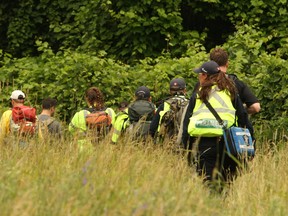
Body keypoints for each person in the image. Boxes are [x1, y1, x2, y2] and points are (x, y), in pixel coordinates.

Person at [181, 61, 253, 190]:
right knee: (225, 183)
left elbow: (187, 123)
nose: (198, 77)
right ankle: (223, 205)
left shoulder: (198, 94)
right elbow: (243, 118)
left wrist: (186, 148)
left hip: (203, 144)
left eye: (199, 74)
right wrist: (250, 143)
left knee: (207, 184)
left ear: (204, 76)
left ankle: (212, 207)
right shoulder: (230, 92)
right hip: (227, 144)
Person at [210, 48, 260, 114]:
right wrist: (240, 109)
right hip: (230, 122)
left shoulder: (203, 84)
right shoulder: (236, 83)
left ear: (210, 64)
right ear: (227, 63)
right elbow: (256, 107)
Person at [149, 78, 188, 145]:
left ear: (170, 91)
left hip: (167, 143)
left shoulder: (164, 105)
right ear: (185, 90)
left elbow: (153, 127)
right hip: (185, 143)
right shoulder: (190, 104)